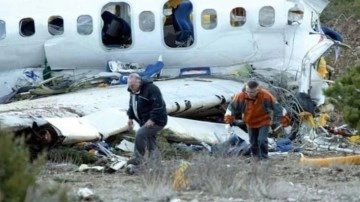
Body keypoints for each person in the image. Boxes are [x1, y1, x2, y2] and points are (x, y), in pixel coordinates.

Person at [224, 80, 283, 160]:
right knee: (253, 143)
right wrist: (229, 121)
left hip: (263, 121)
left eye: (252, 92)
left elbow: (278, 108)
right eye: (248, 92)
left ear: (257, 90)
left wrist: (279, 121)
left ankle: (264, 158)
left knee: (262, 140)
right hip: (250, 122)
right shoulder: (240, 96)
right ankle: (256, 158)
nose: (249, 94)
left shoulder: (265, 95)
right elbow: (231, 108)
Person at [126, 73, 168, 165]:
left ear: (139, 81)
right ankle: (156, 162)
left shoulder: (151, 89)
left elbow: (159, 105)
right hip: (144, 120)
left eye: (132, 86)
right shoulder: (133, 92)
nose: (131, 88)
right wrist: (130, 117)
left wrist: (152, 119)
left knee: (140, 134)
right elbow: (132, 105)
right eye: (129, 86)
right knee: (150, 140)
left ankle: (138, 158)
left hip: (157, 120)